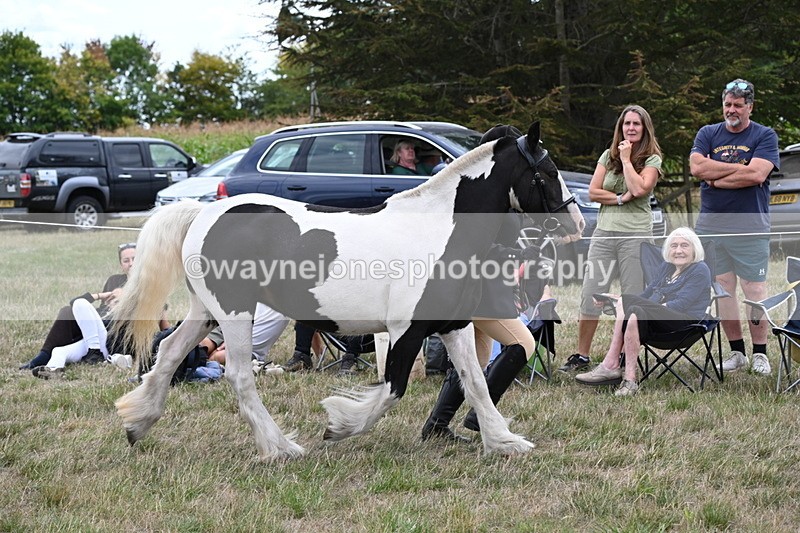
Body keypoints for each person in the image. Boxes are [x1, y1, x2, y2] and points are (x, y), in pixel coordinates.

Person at [420, 125, 545, 442]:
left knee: (472, 360)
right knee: (522, 344)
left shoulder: (494, 188)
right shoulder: (479, 193)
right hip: (478, 286)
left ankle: (436, 426)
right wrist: (516, 252)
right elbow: (473, 243)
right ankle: (482, 415)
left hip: (486, 282)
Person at [560, 105, 663, 373]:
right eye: (626, 123)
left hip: (636, 235)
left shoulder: (652, 159)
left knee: (631, 299)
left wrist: (628, 160)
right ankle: (582, 355)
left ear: (644, 128)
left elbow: (640, 188)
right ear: (620, 127)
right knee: (590, 293)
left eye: (636, 124)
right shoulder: (608, 154)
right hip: (604, 233)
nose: (630, 128)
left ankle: (624, 357)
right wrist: (619, 198)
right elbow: (594, 192)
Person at [689, 78, 780, 375]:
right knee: (724, 290)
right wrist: (740, 168)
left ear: (750, 107)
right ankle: (737, 352)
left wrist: (715, 178)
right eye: (728, 104)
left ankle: (760, 354)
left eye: (738, 105)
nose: (732, 110)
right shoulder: (707, 133)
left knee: (754, 290)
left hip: (750, 226)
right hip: (712, 227)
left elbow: (756, 175)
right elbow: (697, 168)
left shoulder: (764, 135)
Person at [574, 227, 712, 395]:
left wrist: (627, 302)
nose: (678, 250)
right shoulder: (666, 268)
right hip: (659, 323)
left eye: (684, 245)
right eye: (674, 246)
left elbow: (680, 304)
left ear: (694, 249)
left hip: (685, 325)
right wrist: (615, 299)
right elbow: (645, 296)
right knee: (633, 310)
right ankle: (630, 380)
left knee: (630, 304)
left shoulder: (699, 269)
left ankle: (610, 364)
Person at [20, 242, 137, 371]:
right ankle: (50, 367)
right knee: (60, 347)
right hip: (97, 333)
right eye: (126, 260)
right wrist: (100, 295)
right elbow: (77, 304)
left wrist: (125, 297)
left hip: (112, 340)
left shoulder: (147, 286)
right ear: (121, 265)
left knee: (80, 304)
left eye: (135, 259)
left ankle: (95, 352)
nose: (131, 263)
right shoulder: (114, 280)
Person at [282, 322, 371, 377]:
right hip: (338, 330)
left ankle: (350, 360)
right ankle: (302, 357)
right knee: (306, 303)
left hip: (369, 335)